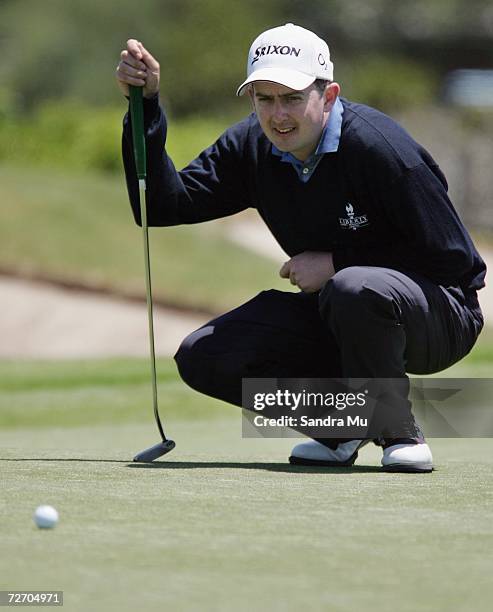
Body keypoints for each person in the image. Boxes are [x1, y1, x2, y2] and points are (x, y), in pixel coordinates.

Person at [116, 23, 486, 472]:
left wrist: (335, 263)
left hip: (440, 315)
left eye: (291, 98)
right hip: (343, 312)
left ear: (328, 96)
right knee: (206, 355)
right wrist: (146, 108)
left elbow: (455, 263)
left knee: (355, 287)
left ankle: (396, 429)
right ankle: (343, 427)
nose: (278, 115)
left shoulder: (380, 148)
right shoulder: (252, 146)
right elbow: (161, 204)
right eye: (264, 98)